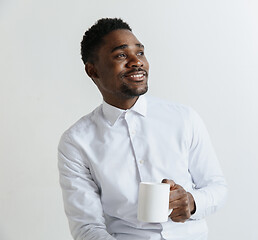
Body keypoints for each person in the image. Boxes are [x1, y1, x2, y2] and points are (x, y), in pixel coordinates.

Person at [58, 18, 227, 240]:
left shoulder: (184, 118)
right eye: (120, 55)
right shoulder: (76, 142)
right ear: (93, 71)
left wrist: (192, 202)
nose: (136, 62)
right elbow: (87, 227)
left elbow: (216, 187)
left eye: (140, 53)